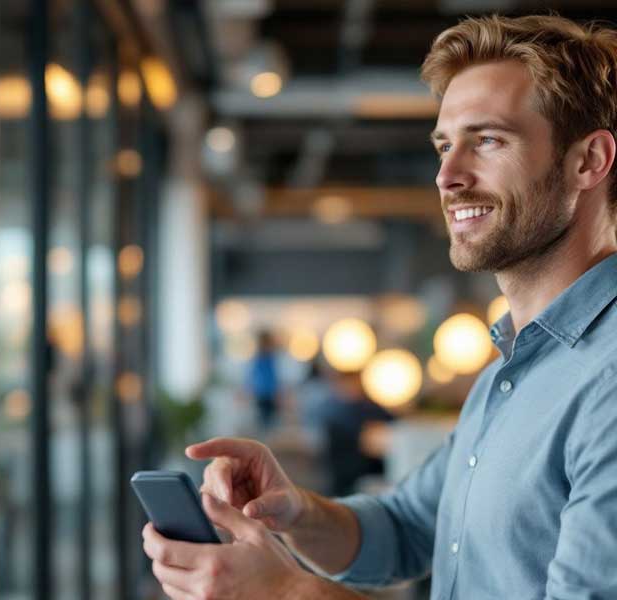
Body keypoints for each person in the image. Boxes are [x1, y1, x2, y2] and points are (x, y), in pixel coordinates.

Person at [142, 14, 617, 599]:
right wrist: (294, 509)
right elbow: (407, 529)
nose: (447, 175)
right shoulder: (509, 372)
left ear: (588, 161)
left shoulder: (607, 382)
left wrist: (286, 593)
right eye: (445, 145)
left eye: (488, 140)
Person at [246, 330, 280, 430]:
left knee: (271, 422)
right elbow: (252, 376)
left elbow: (275, 378)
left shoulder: (271, 358)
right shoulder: (259, 358)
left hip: (269, 394)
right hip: (261, 394)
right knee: (263, 422)